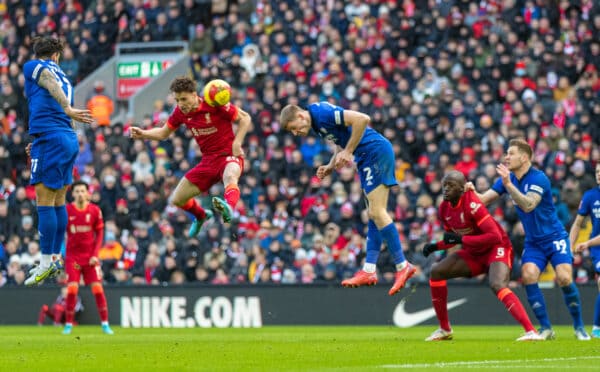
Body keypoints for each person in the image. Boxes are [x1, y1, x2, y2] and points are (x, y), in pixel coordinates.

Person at [279, 102, 416, 296]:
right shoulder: (317, 124)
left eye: (294, 128)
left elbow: (362, 119)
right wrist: (330, 164)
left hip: (374, 152)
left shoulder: (322, 113)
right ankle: (369, 270)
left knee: (377, 212)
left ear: (301, 116)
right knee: (373, 214)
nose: (295, 133)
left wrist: (349, 151)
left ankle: (403, 265)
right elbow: (340, 141)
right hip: (367, 156)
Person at [468, 138, 590, 340]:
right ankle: (546, 329)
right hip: (534, 242)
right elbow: (483, 200)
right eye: (506, 153)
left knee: (564, 277)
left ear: (524, 157)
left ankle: (579, 328)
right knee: (528, 275)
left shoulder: (538, 178)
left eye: (511, 153)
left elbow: (528, 205)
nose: (506, 157)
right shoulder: (507, 180)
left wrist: (508, 185)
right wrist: (471, 192)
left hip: (554, 237)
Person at [422, 171, 542, 341]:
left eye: (451, 186)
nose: (446, 189)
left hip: (497, 248)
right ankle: (444, 329)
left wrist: (461, 239)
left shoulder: (472, 204)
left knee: (497, 284)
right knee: (436, 272)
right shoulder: (444, 208)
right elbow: (452, 238)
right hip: (475, 252)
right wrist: (436, 246)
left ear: (463, 189)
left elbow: (495, 236)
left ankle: (531, 331)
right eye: (444, 185)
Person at [130, 76, 251, 236]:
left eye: (184, 99)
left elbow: (245, 118)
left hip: (228, 155)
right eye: (177, 100)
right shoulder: (180, 112)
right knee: (177, 199)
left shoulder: (214, 103)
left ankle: (229, 207)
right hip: (208, 161)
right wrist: (143, 133)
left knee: (230, 175)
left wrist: (237, 143)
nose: (180, 104)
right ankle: (201, 215)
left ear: (195, 95)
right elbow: (163, 133)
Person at [24, 36, 94, 286]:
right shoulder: (66, 77)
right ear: (57, 55)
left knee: (44, 200)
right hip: (65, 138)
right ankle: (54, 258)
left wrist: (66, 108)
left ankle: (45, 263)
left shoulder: (34, 66)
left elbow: (48, 81)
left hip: (53, 138)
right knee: (58, 200)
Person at [63, 180, 113, 335]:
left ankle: (105, 324)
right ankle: (69, 324)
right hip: (73, 258)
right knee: (72, 288)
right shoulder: (67, 211)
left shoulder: (95, 211)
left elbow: (100, 235)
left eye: (82, 191)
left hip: (90, 257)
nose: (80, 194)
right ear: (72, 194)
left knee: (98, 289)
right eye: (77, 191)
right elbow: (59, 233)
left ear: (88, 193)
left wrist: (95, 255)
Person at [569, 163, 600, 339]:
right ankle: (596, 329)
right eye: (597, 172)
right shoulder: (590, 196)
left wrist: (586, 243)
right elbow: (577, 224)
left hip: (592, 244)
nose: (599, 175)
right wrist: (569, 247)